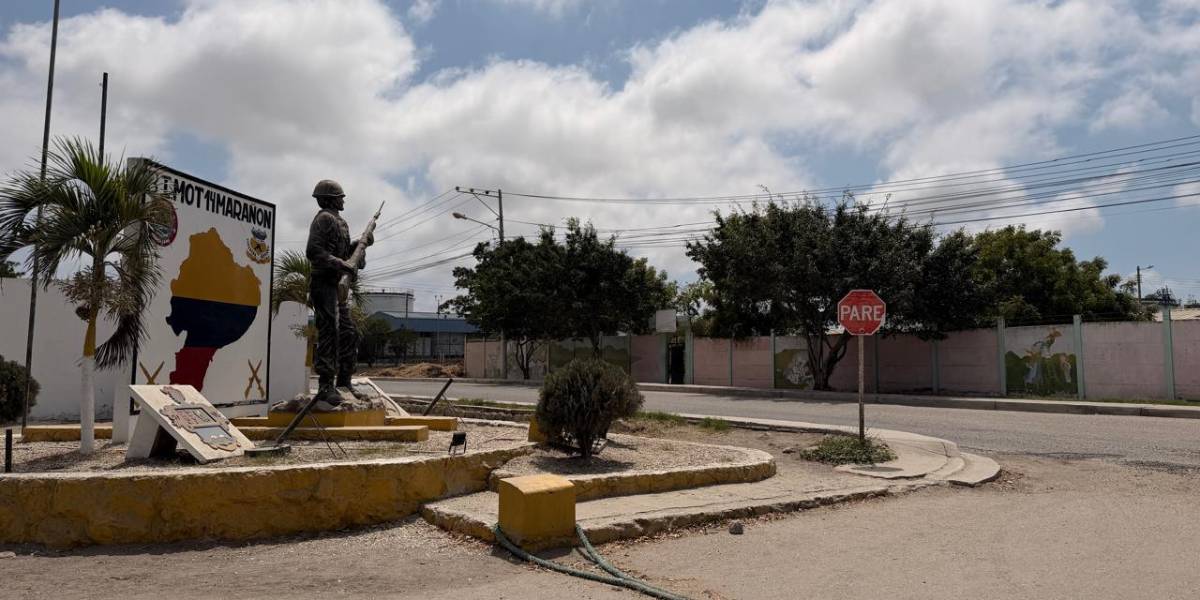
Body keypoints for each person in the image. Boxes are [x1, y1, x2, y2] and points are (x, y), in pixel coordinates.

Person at [305, 179, 372, 406]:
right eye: (340, 197)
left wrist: (361, 245)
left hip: (337, 286)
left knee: (348, 332)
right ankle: (326, 385)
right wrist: (341, 265)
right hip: (323, 283)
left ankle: (344, 382)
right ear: (330, 199)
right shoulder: (324, 219)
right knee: (329, 332)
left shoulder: (341, 222)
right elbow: (313, 251)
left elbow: (348, 257)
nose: (343, 200)